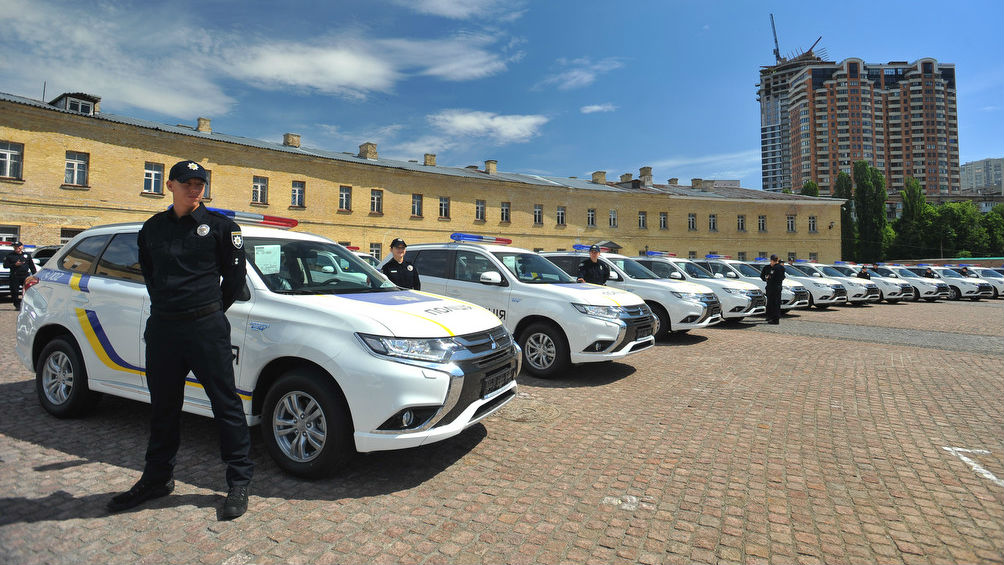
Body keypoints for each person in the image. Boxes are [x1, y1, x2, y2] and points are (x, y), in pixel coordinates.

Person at [107, 160, 253, 520]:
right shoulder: (152, 228)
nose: (194, 188)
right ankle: (157, 478)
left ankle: (238, 482)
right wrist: (169, 310)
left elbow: (235, 283)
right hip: (164, 329)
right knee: (163, 406)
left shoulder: (222, 228)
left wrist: (208, 311)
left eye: (199, 183)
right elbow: (151, 276)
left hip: (205, 328)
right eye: (187, 182)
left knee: (226, 404)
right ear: (169, 185)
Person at [3, 241, 37, 310]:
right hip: (15, 276)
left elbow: (32, 266)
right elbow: (5, 265)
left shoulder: (27, 255)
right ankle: (17, 305)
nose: (16, 248)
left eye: (18, 246)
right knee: (14, 292)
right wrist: (15, 265)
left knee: (28, 291)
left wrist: (35, 275)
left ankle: (28, 305)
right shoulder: (10, 256)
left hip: (25, 276)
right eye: (15, 247)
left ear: (21, 247)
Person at [760, 254, 785, 324]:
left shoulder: (775, 268)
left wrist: (768, 278)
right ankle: (771, 317)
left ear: (772, 260)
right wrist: (766, 278)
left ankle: (775, 319)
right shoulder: (781, 267)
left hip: (773, 287)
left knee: (774, 303)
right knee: (774, 303)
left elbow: (772, 278)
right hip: (776, 287)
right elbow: (762, 276)